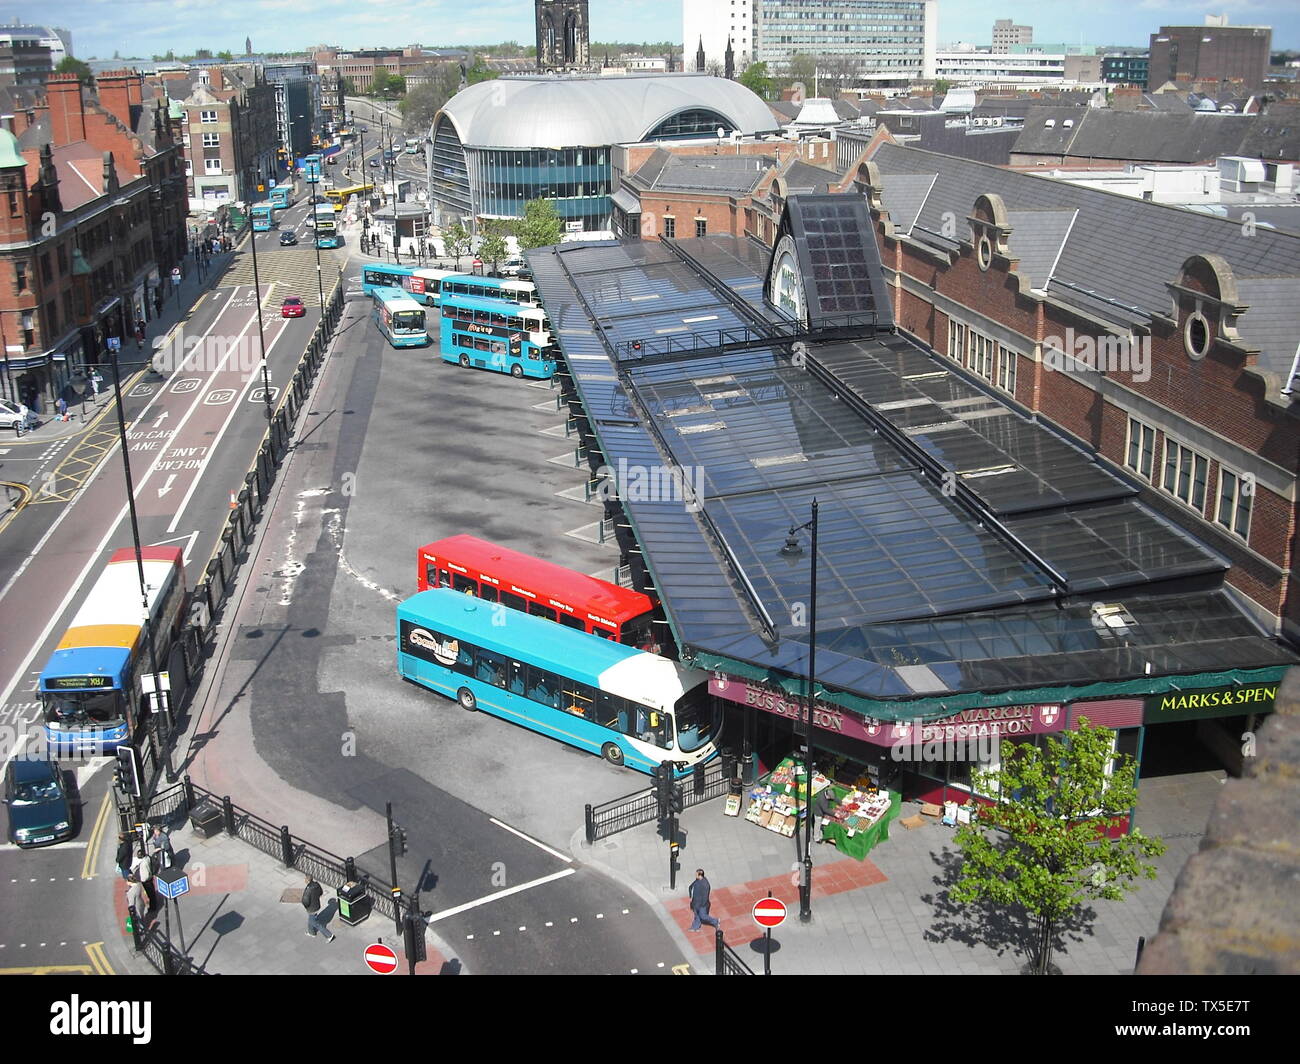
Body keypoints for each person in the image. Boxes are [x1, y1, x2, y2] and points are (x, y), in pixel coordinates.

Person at [302, 873, 335, 942]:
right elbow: (321, 892)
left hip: (311, 908)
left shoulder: (308, 890)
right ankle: (311, 932)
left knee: (315, 923)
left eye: (305, 879)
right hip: (316, 905)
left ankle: (329, 935)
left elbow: (305, 901)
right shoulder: (316, 884)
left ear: (307, 880)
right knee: (310, 920)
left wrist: (306, 906)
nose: (304, 880)